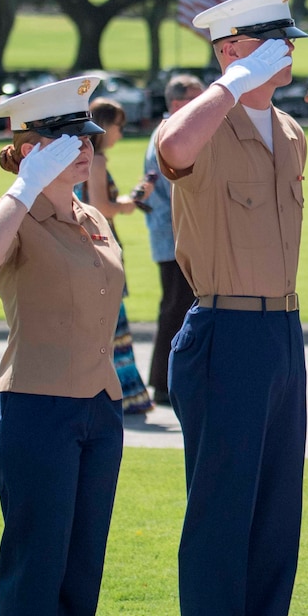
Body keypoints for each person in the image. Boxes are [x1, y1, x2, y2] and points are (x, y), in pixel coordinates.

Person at [155, 0, 308, 616]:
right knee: (222, 508)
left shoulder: (289, 133)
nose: (286, 52)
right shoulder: (203, 123)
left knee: (277, 504)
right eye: (267, 41)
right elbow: (171, 149)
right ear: (229, 50)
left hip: (281, 328)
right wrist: (230, 84)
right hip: (223, 325)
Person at [0, 76, 129, 616]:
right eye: (70, 139)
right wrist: (23, 186)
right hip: (34, 407)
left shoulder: (90, 217)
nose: (87, 148)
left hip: (98, 409)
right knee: (37, 563)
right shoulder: (14, 214)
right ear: (31, 148)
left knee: (79, 564)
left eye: (88, 136)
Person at [80, 97, 154, 414]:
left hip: (87, 249)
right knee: (114, 325)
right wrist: (128, 205)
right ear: (105, 126)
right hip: (100, 247)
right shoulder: (96, 160)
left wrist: (131, 198)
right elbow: (100, 208)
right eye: (119, 127)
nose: (121, 134)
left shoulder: (84, 156)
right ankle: (123, 392)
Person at [143, 73, 203, 405]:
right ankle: (164, 382)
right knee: (177, 307)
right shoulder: (170, 136)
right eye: (196, 98)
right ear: (178, 104)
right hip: (174, 238)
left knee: (179, 306)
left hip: (175, 236)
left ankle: (167, 379)